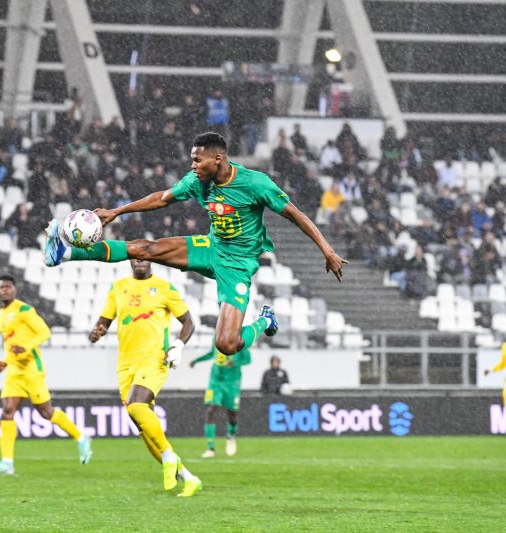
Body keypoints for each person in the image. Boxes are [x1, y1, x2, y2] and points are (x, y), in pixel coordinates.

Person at [45, 132, 347, 358]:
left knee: (227, 345)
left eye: (197, 159)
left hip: (238, 264)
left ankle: (264, 320)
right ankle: (65, 252)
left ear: (217, 159)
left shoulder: (255, 183)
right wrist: (117, 211)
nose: (193, 164)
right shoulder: (197, 181)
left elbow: (296, 215)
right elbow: (161, 198)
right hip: (210, 247)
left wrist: (327, 249)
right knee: (145, 249)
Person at [88, 259, 200, 497]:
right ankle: (189, 478)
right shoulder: (118, 287)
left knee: (137, 405)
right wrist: (97, 331)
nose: (139, 259)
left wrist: (179, 345)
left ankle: (170, 456)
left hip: (155, 359)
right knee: (143, 429)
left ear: (150, 259)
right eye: (135, 255)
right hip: (125, 365)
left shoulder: (165, 288)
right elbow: (104, 322)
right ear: (130, 260)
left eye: (143, 255)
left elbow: (188, 321)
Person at [0, 275, 93, 475]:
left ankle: (81, 437)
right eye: (1, 287)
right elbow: (11, 344)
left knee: (46, 412)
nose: (4, 290)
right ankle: (7, 463)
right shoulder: (1, 315)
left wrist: (25, 348)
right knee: (7, 412)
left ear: (14, 289)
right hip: (15, 371)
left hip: (32, 369)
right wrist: (5, 361)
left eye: (8, 287)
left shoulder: (24, 310)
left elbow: (44, 332)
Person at [189, 340, 250, 458]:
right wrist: (196, 361)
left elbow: (247, 359)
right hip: (216, 382)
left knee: (232, 414)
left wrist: (235, 362)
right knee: (210, 410)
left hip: (232, 383)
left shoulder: (240, 339)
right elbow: (212, 353)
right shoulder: (217, 336)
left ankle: (231, 436)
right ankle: (210, 448)